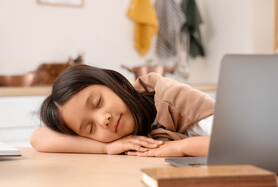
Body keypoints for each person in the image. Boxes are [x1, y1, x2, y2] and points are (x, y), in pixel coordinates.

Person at [30, 65, 215, 157]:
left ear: (112, 82)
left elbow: (239, 141)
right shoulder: (114, 140)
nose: (103, 120)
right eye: (90, 129)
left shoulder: (172, 99)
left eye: (98, 102)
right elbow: (39, 138)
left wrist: (179, 147)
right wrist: (105, 148)